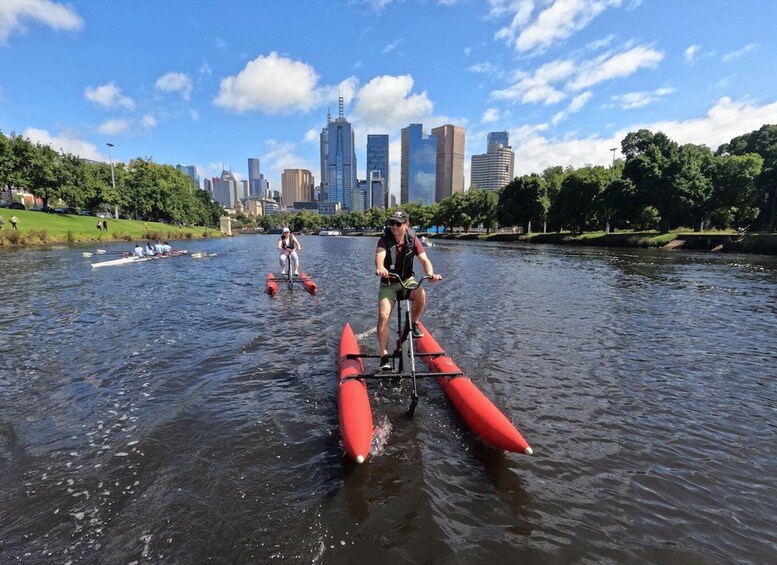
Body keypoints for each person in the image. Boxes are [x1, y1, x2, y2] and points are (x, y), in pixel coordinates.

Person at [375, 210, 442, 370]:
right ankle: (384, 356)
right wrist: (380, 268)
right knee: (384, 315)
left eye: (398, 223)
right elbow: (380, 257)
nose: (394, 227)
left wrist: (430, 274)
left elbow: (424, 260)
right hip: (389, 283)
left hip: (406, 280)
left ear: (407, 225)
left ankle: (413, 324)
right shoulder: (385, 239)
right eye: (392, 223)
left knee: (420, 294)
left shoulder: (413, 239)